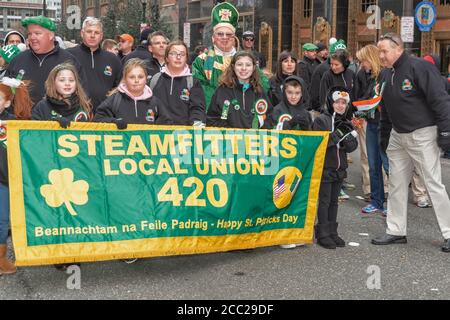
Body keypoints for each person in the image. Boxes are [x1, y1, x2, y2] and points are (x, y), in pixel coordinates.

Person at [371, 33, 450, 252]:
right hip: (398, 135)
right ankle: (396, 231)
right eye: (379, 51)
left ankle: (449, 232)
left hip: (422, 133)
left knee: (432, 183)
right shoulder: (386, 75)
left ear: (398, 49)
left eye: (384, 51)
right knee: (396, 183)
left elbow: (440, 99)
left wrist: (445, 132)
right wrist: (384, 135)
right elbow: (385, 108)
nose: (381, 55)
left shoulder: (420, 68)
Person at [193, 2, 268, 109]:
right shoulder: (201, 61)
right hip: (211, 115)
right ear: (213, 37)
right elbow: (199, 91)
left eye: (229, 34)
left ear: (234, 37)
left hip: (241, 113)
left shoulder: (245, 60)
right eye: (220, 34)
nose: (225, 37)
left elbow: (263, 84)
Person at [312, 87, 358, 249]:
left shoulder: (346, 121)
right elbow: (320, 145)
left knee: (334, 201)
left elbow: (352, 147)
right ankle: (322, 232)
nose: (340, 106)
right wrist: (337, 134)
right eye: (337, 102)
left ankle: (332, 231)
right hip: (325, 167)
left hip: (340, 168)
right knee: (324, 201)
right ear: (331, 103)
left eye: (343, 103)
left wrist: (347, 138)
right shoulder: (321, 120)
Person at [6, 15, 86, 106]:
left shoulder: (69, 61)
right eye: (29, 34)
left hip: (57, 119)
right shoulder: (18, 60)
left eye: (37, 33)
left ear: (50, 36)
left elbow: (81, 94)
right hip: (21, 119)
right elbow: (5, 93)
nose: (32, 37)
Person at [0, 77, 33, 275]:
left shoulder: (13, 123)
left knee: (4, 220)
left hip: (7, 179)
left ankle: (1, 257)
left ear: (6, 102)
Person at [354, 44, 389, 214]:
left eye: (363, 61)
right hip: (372, 124)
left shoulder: (386, 75)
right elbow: (366, 97)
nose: (362, 65)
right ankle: (377, 201)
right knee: (374, 165)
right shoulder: (367, 76)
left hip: (386, 126)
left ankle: (393, 204)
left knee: (389, 166)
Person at [94, 58, 171, 128]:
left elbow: (167, 123)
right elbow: (98, 119)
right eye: (132, 77)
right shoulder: (115, 100)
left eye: (140, 77)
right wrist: (114, 122)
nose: (136, 81)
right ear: (125, 79)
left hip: (146, 143)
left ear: (146, 79)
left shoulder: (155, 102)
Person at [67, 17, 122, 112]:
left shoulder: (113, 59)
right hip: (73, 113)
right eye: (89, 31)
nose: (92, 35)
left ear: (101, 36)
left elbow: (120, 86)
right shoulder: (69, 56)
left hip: (105, 115)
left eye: (96, 33)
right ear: (82, 33)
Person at [207, 51, 272, 129]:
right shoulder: (222, 91)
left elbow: (269, 117)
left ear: (254, 67)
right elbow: (211, 119)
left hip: (254, 140)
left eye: (248, 65)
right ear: (233, 67)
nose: (243, 68)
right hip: (229, 139)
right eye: (239, 64)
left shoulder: (259, 91)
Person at [150, 40, 206, 126]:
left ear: (186, 58)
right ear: (167, 58)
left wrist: (196, 123)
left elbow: (197, 108)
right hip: (159, 133)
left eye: (182, 54)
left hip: (183, 134)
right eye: (173, 53)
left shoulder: (192, 81)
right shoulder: (156, 79)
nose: (178, 57)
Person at [310, 38, 347, 113]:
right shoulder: (323, 70)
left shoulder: (348, 71)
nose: (334, 67)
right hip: (326, 112)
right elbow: (315, 93)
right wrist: (323, 110)